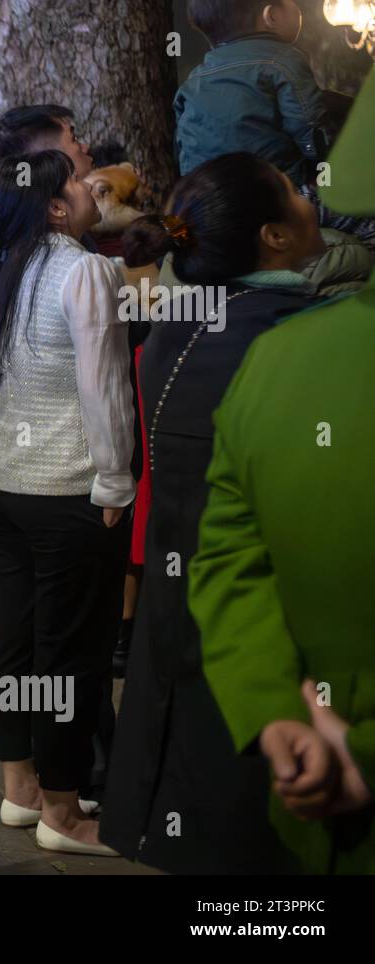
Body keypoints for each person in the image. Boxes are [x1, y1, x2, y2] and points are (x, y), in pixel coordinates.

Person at [98, 152, 326, 874]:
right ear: (275, 237)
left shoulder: (176, 329)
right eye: (295, 194)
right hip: (260, 623)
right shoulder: (295, 340)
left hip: (179, 609)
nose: (310, 201)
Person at [187, 67, 375, 876]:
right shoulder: (276, 334)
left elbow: (227, 552)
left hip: (305, 804)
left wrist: (277, 710)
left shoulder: (273, 357)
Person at [0, 150, 134, 857]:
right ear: (56, 207)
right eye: (78, 183)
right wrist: (117, 482)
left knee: (16, 640)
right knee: (71, 656)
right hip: (68, 491)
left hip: (4, 484)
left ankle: (20, 788)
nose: (94, 187)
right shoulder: (84, 270)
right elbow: (106, 390)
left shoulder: (10, 269)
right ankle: (65, 812)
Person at [176, 0, 329, 187]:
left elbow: (185, 148)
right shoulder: (283, 60)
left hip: (210, 201)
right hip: (276, 196)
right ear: (270, 16)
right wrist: (323, 175)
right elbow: (311, 127)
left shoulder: (193, 80)